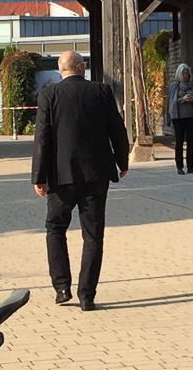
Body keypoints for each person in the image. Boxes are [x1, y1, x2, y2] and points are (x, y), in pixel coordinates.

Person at [32, 50, 130, 311]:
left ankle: (62, 288)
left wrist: (38, 176)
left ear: (60, 70)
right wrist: (122, 162)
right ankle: (87, 296)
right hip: (96, 175)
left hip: (61, 177)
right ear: (81, 67)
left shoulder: (49, 95)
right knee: (93, 236)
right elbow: (117, 129)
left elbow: (42, 138)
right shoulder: (101, 92)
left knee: (55, 228)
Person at [166, 62, 193, 174]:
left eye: (186, 73)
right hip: (178, 118)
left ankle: (190, 167)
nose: (185, 76)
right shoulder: (174, 87)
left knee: (191, 142)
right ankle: (179, 167)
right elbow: (171, 103)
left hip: (191, 117)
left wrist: (192, 99)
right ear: (179, 74)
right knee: (179, 142)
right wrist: (182, 99)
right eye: (183, 74)